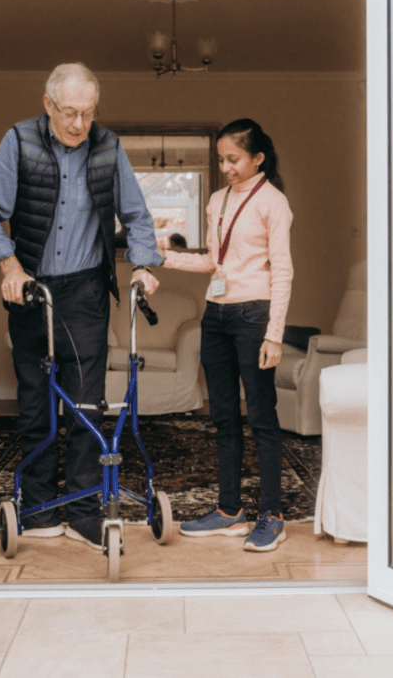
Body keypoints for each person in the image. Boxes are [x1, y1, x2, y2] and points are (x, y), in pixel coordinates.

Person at [0, 62, 163, 549]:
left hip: (84, 290)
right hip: (31, 286)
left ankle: (81, 509)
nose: (80, 124)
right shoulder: (18, 141)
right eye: (70, 113)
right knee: (35, 398)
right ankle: (37, 509)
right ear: (48, 104)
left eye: (88, 112)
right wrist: (10, 268)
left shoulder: (109, 147)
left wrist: (142, 264)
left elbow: (137, 215)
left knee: (84, 400)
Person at [160, 118, 293, 552]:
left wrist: (274, 335)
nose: (226, 167)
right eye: (221, 159)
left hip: (255, 316)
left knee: (261, 416)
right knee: (222, 416)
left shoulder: (273, 202)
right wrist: (166, 258)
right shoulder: (216, 200)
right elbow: (215, 263)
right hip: (216, 316)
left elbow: (283, 272)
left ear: (258, 158)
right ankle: (231, 511)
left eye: (233, 159)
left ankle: (272, 515)